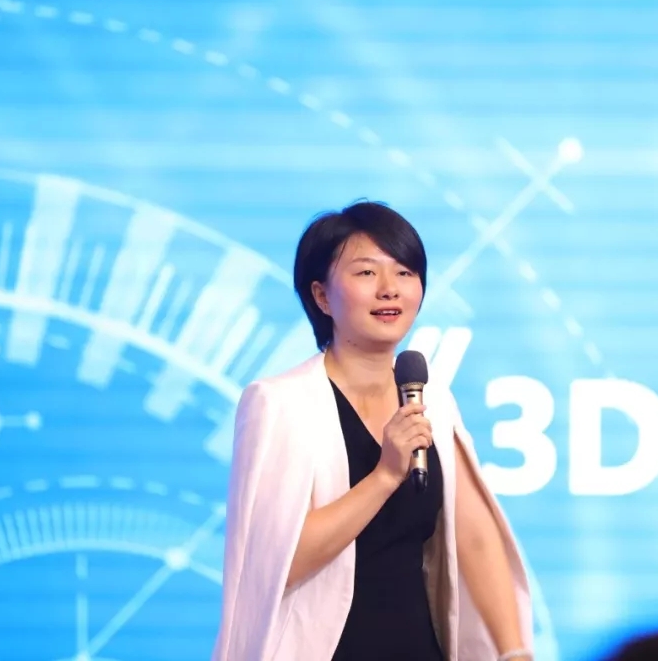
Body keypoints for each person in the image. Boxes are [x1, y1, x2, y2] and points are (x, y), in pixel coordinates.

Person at [212, 200, 534, 661]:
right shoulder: (279, 403)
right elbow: (276, 562)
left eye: (404, 272)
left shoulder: (430, 399)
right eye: (366, 273)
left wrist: (514, 651)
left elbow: (475, 536)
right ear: (322, 296)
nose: (389, 289)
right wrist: (384, 476)